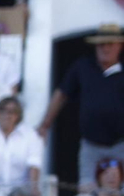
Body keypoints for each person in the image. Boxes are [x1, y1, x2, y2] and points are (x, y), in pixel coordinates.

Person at [36, 24, 124, 187]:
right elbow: (61, 94)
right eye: (101, 44)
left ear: (119, 45)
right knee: (86, 192)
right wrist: (45, 125)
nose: (105, 48)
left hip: (120, 144)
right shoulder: (83, 66)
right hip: (91, 145)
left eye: (110, 44)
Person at [0, 95, 41, 190]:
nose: (7, 115)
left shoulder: (30, 135)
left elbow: (34, 165)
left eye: (11, 112)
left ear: (18, 116)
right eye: (2, 111)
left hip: (20, 193)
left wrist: (33, 191)